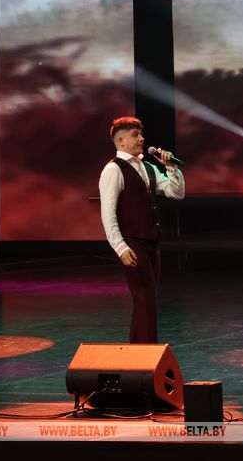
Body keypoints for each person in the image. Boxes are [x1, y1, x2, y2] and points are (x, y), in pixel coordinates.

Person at [98, 117, 185, 343]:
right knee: (145, 298)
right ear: (121, 141)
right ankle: (147, 351)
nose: (142, 139)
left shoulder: (148, 167)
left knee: (147, 298)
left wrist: (171, 167)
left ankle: (138, 350)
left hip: (151, 240)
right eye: (135, 135)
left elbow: (176, 193)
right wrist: (120, 247)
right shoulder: (113, 169)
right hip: (132, 241)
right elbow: (108, 213)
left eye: (141, 134)